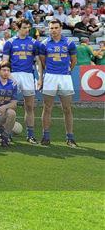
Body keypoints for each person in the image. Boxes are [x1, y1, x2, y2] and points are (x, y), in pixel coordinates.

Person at [39, 19, 78, 147]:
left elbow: (73, 61)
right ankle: (46, 136)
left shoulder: (69, 43)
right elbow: (43, 62)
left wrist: (66, 71)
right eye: (51, 28)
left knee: (67, 108)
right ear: (49, 29)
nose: (54, 30)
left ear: (61, 28)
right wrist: (50, 72)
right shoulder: (44, 44)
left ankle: (70, 137)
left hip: (65, 78)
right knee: (47, 107)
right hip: (50, 77)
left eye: (56, 27)